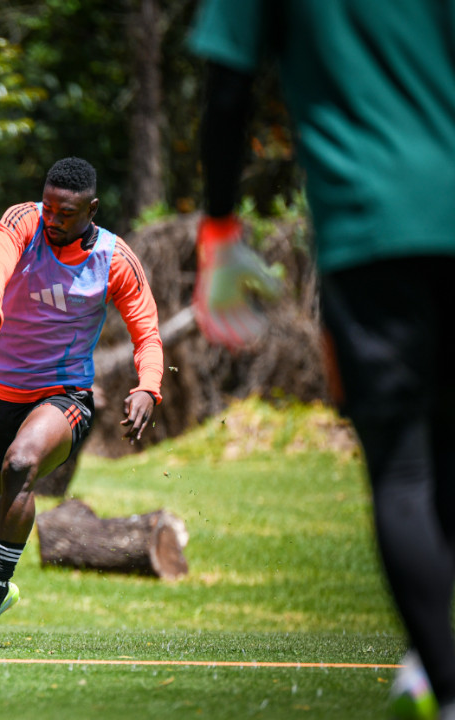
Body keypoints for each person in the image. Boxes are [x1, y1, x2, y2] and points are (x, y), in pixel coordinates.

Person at [189, 2, 455, 717]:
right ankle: (427, 661)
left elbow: (226, 90)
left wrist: (219, 225)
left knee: (403, 466)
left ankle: (442, 676)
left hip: (375, 229)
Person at [0, 157, 163, 645]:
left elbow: (146, 332)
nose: (52, 218)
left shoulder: (115, 259)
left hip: (62, 394)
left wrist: (149, 385)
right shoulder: (23, 220)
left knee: (20, 465)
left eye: (65, 212)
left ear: (92, 209)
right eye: (47, 207)